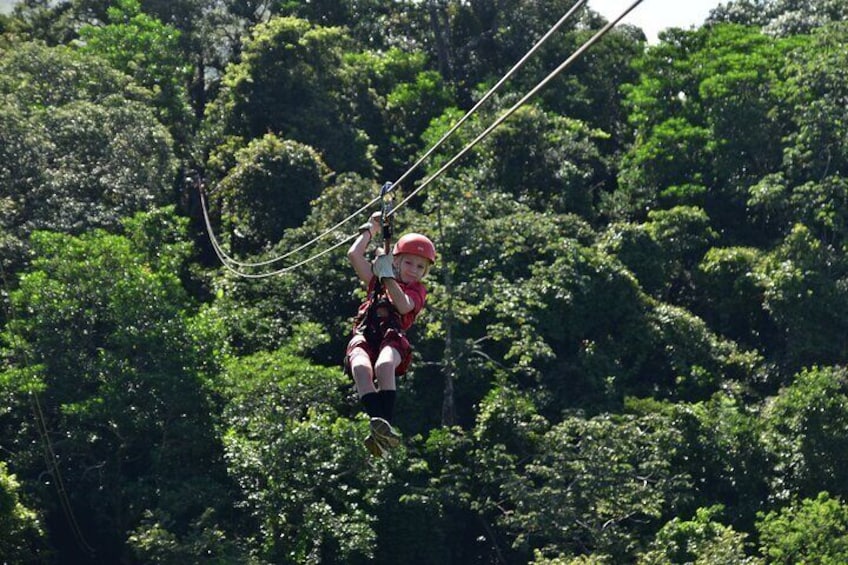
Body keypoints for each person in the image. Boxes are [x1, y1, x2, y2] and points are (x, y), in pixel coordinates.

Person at [345, 211, 436, 457]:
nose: (414, 270)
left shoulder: (417, 291)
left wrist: (387, 276)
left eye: (420, 266)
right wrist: (371, 230)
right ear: (397, 261)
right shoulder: (377, 281)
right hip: (365, 333)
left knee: (384, 366)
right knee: (361, 369)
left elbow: (404, 305)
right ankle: (380, 427)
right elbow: (354, 255)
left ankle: (382, 424)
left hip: (391, 337)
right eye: (408, 263)